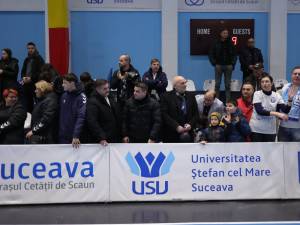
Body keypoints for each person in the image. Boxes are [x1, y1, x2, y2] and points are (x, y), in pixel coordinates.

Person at [249, 74, 293, 142]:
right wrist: (277, 114)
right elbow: (260, 111)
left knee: (268, 152)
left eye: (267, 81)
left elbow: (285, 110)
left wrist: (290, 100)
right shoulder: (257, 94)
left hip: (270, 130)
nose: (264, 84)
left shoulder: (276, 95)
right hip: (256, 129)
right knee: (258, 151)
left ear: (271, 83)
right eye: (262, 82)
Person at [161, 76, 199, 143]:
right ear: (175, 86)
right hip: (171, 134)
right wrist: (176, 126)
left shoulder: (191, 96)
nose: (185, 85)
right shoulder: (166, 96)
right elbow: (164, 115)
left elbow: (196, 114)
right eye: (182, 83)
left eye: (185, 83)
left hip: (188, 134)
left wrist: (190, 124)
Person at [86, 79, 121, 145]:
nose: (108, 90)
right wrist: (101, 137)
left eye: (108, 88)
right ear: (97, 89)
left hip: (114, 138)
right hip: (104, 141)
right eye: (105, 89)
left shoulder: (110, 98)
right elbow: (93, 122)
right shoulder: (92, 102)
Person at [59, 73, 86, 148]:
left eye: (65, 83)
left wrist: (76, 135)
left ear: (72, 83)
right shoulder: (64, 96)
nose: (62, 85)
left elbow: (81, 117)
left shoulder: (81, 97)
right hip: (63, 137)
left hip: (75, 139)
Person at [209, 28, 237, 101]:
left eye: (227, 33)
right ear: (220, 34)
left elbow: (234, 55)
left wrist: (233, 64)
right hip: (218, 66)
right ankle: (216, 101)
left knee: (227, 85)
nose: (226, 34)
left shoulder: (231, 43)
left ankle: (228, 102)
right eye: (224, 33)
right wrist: (214, 63)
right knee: (217, 84)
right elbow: (211, 54)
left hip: (228, 66)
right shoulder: (215, 43)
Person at [21, 42, 45, 113]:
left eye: (32, 48)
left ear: (35, 49)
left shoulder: (39, 59)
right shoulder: (26, 59)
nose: (30, 50)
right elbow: (23, 71)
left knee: (37, 102)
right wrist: (23, 78)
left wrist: (31, 78)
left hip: (35, 85)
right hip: (26, 85)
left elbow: (41, 72)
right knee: (27, 103)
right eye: (28, 48)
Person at [278, 66, 300, 142]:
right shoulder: (284, 88)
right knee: (282, 152)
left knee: (296, 152)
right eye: (295, 73)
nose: (297, 75)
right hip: (283, 126)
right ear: (291, 75)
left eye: (299, 74)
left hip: (298, 128)